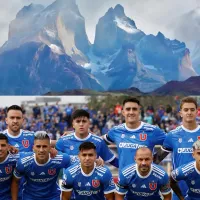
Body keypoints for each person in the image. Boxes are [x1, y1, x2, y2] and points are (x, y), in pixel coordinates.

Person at [154, 97, 200, 200]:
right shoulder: (172, 135)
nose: (189, 112)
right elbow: (157, 159)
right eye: (186, 110)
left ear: (197, 112)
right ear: (180, 113)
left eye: (192, 109)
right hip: (179, 192)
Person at [103, 97, 166, 171]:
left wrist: (155, 160)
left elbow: (172, 143)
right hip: (124, 180)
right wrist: (110, 160)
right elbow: (99, 142)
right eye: (128, 109)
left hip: (146, 180)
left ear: (139, 111)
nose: (131, 112)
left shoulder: (152, 130)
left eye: (134, 109)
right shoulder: (116, 130)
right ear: (123, 112)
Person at [11, 131, 71, 200]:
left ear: (50, 147)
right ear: (33, 148)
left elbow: (71, 174)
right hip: (30, 197)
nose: (41, 150)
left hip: (52, 196)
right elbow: (15, 182)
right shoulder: (23, 162)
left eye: (44, 146)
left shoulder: (62, 159)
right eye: (38, 146)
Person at [0, 133, 18, 200]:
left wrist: (51, 150)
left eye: (3, 145)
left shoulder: (15, 160)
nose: (0, 148)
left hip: (7, 197)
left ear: (8, 146)